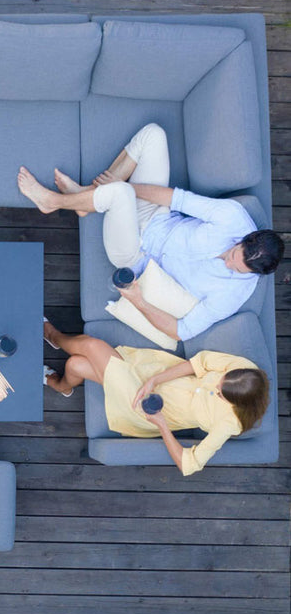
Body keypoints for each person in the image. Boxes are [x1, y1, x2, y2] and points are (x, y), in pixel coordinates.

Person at [18, 124, 284, 341]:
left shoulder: (235, 294)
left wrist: (139, 301)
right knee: (153, 135)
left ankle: (55, 202)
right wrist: (127, 188)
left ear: (253, 275)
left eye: (235, 268)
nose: (227, 262)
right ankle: (87, 200)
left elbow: (182, 332)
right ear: (245, 239)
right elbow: (175, 199)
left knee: (120, 192)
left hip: (137, 257)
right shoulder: (234, 218)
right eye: (233, 254)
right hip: (156, 218)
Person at [42, 318, 269, 476]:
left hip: (146, 407)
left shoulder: (230, 423)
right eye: (220, 381)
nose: (216, 386)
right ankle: (62, 386)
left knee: (92, 345)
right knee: (76, 365)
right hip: (153, 374)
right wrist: (155, 380)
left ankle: (54, 336)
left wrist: (161, 425)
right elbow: (196, 364)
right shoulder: (243, 369)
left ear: (235, 403)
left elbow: (188, 465)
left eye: (220, 393)